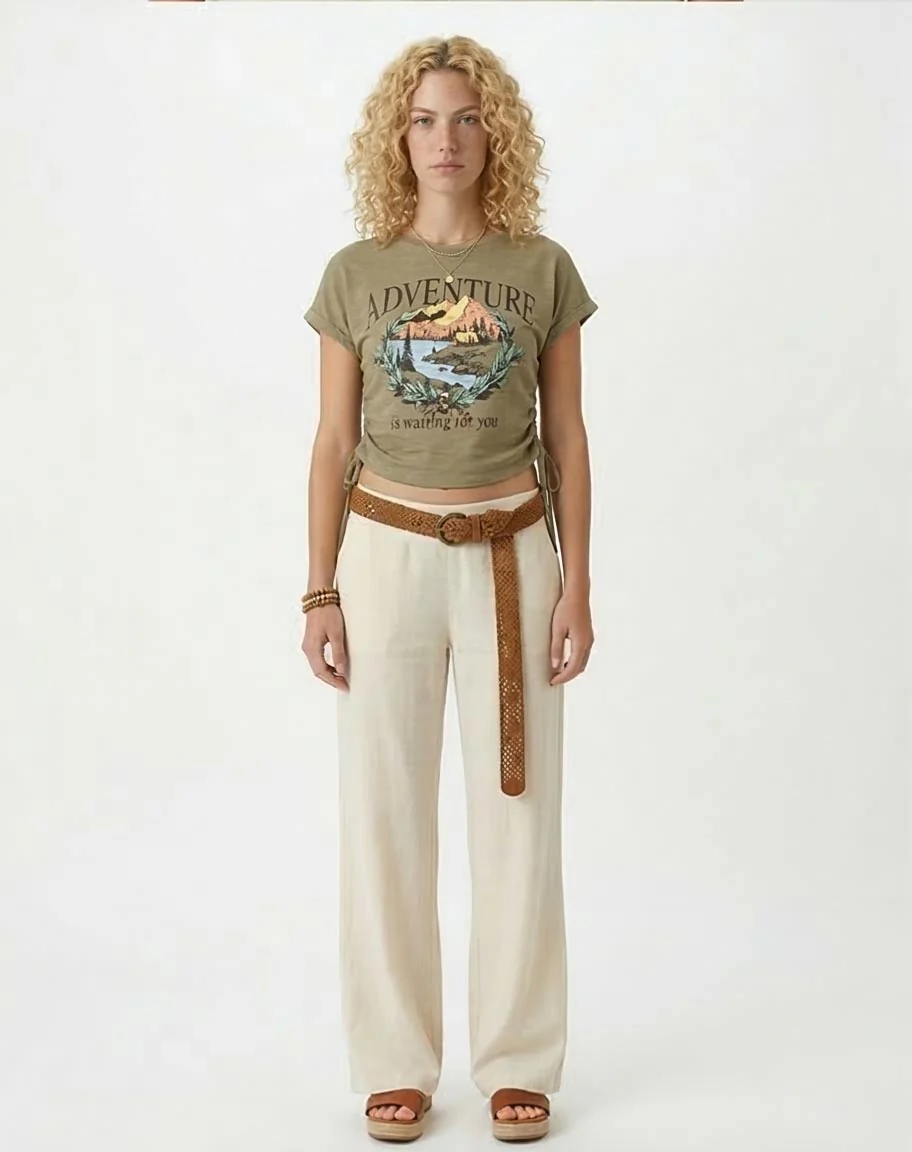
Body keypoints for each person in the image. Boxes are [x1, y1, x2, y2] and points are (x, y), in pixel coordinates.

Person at [301, 35, 597, 1144]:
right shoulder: (357, 273)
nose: (446, 139)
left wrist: (577, 584)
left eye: (467, 117)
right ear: (398, 137)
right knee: (383, 809)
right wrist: (318, 592)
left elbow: (566, 438)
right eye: (424, 119)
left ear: (494, 134)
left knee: (519, 814)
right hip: (385, 553)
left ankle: (518, 1060)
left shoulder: (541, 268)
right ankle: (395, 1061)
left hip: (513, 552)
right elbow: (332, 442)